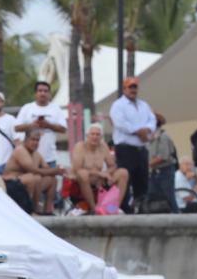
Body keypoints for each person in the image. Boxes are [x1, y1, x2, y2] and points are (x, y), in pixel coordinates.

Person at [108, 76, 156, 213]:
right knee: (126, 178)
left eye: (135, 87)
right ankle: (123, 207)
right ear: (124, 89)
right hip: (125, 149)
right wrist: (137, 131)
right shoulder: (118, 105)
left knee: (142, 179)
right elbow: (120, 123)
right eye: (130, 87)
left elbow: (152, 119)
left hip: (141, 148)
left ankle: (141, 206)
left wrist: (147, 129)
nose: (133, 90)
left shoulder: (143, 105)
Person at [69, 124, 129, 214]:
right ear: (87, 136)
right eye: (92, 134)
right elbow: (77, 169)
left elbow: (112, 165)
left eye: (97, 134)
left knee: (123, 172)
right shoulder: (80, 146)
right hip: (84, 180)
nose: (95, 137)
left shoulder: (103, 146)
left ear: (101, 137)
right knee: (83, 173)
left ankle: (114, 208)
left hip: (100, 180)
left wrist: (106, 173)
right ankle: (94, 209)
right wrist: (99, 173)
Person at [3, 128, 62, 215]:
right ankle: (32, 209)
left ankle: (48, 211)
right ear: (26, 139)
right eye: (33, 139)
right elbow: (32, 169)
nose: (35, 143)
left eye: (37, 140)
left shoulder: (36, 154)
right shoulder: (20, 150)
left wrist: (59, 170)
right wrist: (54, 171)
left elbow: (46, 168)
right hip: (12, 183)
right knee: (34, 178)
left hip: (28, 181)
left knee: (52, 180)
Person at [13, 80, 65, 166]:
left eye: (45, 91)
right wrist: (31, 126)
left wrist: (48, 125)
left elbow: (63, 129)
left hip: (50, 157)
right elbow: (16, 128)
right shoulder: (27, 108)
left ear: (49, 94)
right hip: (29, 157)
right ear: (35, 93)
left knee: (50, 179)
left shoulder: (56, 109)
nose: (43, 93)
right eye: (40, 91)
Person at [145, 114, 179, 213]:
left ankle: (178, 219)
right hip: (154, 172)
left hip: (165, 170)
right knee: (154, 198)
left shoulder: (163, 136)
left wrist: (147, 165)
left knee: (169, 197)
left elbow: (163, 156)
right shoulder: (149, 139)